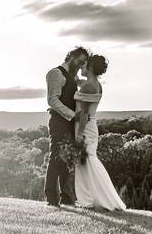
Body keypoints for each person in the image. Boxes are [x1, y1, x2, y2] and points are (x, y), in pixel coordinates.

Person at [70, 54, 126, 211]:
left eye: (84, 64)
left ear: (91, 67)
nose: (81, 67)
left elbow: (84, 114)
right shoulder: (94, 84)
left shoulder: (89, 86)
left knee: (87, 162)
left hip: (85, 128)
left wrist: (79, 135)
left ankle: (94, 200)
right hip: (91, 126)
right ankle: (90, 200)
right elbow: (79, 83)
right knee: (86, 162)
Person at [44, 47, 89, 207]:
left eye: (85, 62)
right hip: (58, 123)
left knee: (67, 161)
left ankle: (68, 199)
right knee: (56, 158)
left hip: (70, 124)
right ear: (71, 57)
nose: (82, 64)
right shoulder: (55, 73)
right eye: (81, 60)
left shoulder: (71, 77)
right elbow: (52, 100)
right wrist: (73, 115)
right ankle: (52, 200)